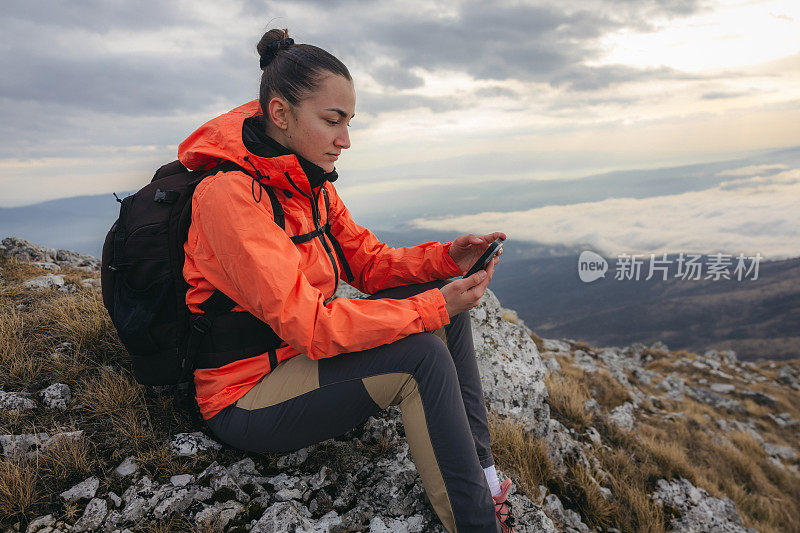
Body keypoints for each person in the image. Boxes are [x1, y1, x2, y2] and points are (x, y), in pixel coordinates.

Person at [179, 27, 515, 532]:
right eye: (332, 121)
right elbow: (312, 326)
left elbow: (371, 264)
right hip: (245, 394)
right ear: (280, 114)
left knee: (442, 305)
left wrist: (446, 260)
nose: (346, 140)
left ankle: (484, 480)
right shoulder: (228, 198)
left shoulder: (306, 181)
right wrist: (434, 307)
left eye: (349, 122)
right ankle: (476, 524)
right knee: (421, 355)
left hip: (297, 360)